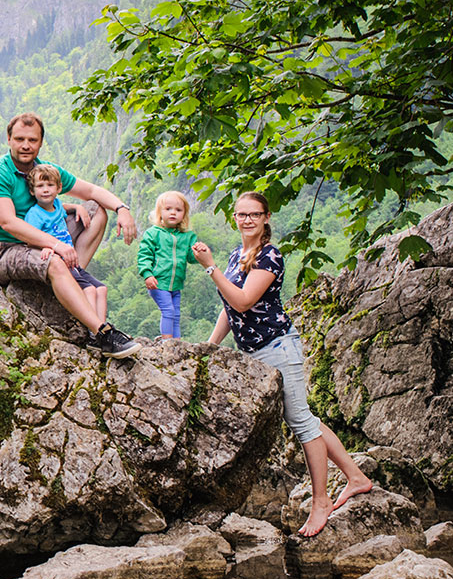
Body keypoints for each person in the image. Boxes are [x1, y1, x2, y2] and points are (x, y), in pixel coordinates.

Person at [193, 192, 373, 537]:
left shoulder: (269, 256)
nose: (246, 220)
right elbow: (229, 309)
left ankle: (320, 502)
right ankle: (356, 477)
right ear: (235, 218)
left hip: (277, 347)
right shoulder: (237, 255)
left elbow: (244, 302)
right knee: (306, 419)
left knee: (301, 423)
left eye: (253, 214)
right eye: (241, 214)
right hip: (254, 351)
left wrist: (210, 268)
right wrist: (211, 346)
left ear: (266, 217)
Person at [0, 112, 140, 357]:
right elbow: (8, 222)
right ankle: (102, 334)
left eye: (32, 140)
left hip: (38, 240)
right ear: (8, 139)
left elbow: (91, 190)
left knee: (96, 211)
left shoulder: (45, 172)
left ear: (40, 143)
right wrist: (57, 245)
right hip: (2, 251)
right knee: (53, 260)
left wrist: (122, 208)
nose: (25, 145)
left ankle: (72, 279)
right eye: (19, 139)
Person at [25, 165, 109, 332]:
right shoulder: (35, 214)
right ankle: (93, 331)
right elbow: (29, 238)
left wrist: (77, 207)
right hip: (61, 263)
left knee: (101, 288)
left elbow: (63, 208)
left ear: (58, 189)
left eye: (50, 185)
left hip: (72, 262)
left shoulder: (56, 204)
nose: (46, 190)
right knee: (90, 291)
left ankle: (104, 328)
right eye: (40, 186)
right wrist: (45, 247)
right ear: (32, 191)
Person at [135, 190, 197, 338]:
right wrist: (147, 274)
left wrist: (199, 253)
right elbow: (144, 255)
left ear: (184, 214)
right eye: (168, 209)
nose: (173, 213)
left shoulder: (187, 236)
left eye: (178, 210)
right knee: (168, 311)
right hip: (158, 282)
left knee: (176, 313)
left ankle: (176, 343)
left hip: (176, 283)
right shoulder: (153, 233)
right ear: (159, 212)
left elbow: (191, 258)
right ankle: (167, 343)